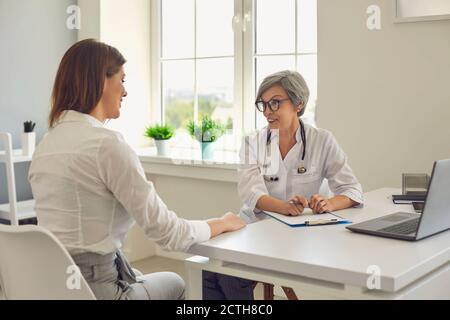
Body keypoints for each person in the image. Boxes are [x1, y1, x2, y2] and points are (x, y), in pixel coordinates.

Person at [28, 39, 246, 300]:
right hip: (97, 290)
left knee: (143, 275)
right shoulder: (106, 144)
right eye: (122, 79)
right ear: (101, 81)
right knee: (175, 282)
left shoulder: (46, 145)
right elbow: (167, 233)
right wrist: (220, 223)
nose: (125, 91)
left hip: (50, 286)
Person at [202, 70, 363, 300]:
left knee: (229, 275)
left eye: (275, 103)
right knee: (210, 269)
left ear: (298, 103)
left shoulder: (322, 141)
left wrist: (328, 203)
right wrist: (283, 206)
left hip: (297, 236)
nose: (267, 111)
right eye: (263, 104)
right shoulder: (252, 142)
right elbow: (250, 192)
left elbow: (352, 189)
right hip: (254, 227)